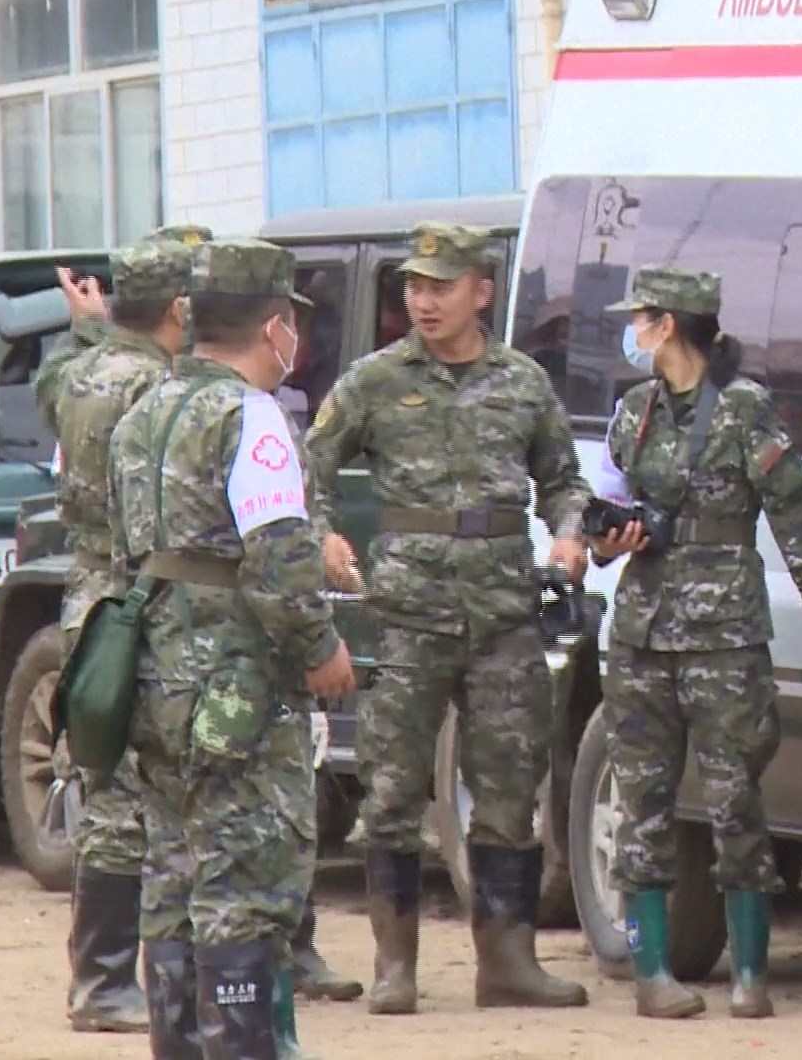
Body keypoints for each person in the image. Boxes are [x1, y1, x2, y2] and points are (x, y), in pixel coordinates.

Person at [305, 222, 593, 1016]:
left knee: (508, 788)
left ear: (482, 292)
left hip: (503, 615)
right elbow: (311, 463)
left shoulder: (524, 383)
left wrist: (569, 535)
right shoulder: (374, 380)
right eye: (414, 287)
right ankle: (397, 967)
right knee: (392, 790)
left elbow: (564, 479)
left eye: (440, 285)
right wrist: (323, 530)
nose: (423, 301)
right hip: (407, 615)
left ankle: (507, 962)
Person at [111, 238, 358, 1059]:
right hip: (238, 690)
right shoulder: (253, 418)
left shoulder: (143, 412)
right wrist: (322, 651)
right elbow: (280, 559)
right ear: (276, 324)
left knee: (174, 872)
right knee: (245, 877)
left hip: (153, 680)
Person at [594, 266, 802, 1021]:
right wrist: (607, 540)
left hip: (723, 640)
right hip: (642, 635)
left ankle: (751, 975)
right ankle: (652, 972)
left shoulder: (745, 412)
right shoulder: (633, 412)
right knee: (641, 802)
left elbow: (795, 511)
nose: (634, 332)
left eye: (640, 319)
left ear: (669, 324)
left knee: (735, 801)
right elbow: (609, 507)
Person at [51, 236, 197, 1037]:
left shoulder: (89, 370)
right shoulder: (160, 387)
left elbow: (54, 409)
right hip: (138, 602)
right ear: (179, 308)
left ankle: (104, 977)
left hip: (91, 595)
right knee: (129, 797)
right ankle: (107, 983)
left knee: (105, 785)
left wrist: (86, 331)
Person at [42, 225, 214, 435]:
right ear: (180, 309)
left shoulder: (82, 372)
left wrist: (89, 325)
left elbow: (51, 390)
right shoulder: (166, 388)